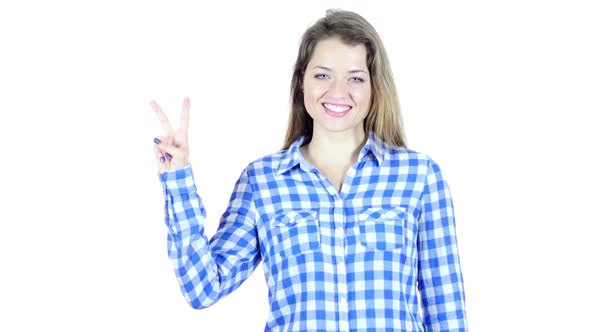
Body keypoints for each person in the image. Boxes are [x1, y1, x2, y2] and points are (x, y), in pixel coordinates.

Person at [152, 9, 468, 332]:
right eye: (322, 75)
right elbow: (203, 287)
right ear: (302, 82)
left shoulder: (419, 178)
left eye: (355, 78)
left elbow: (448, 316)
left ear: (375, 87)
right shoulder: (263, 182)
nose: (337, 91)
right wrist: (177, 178)